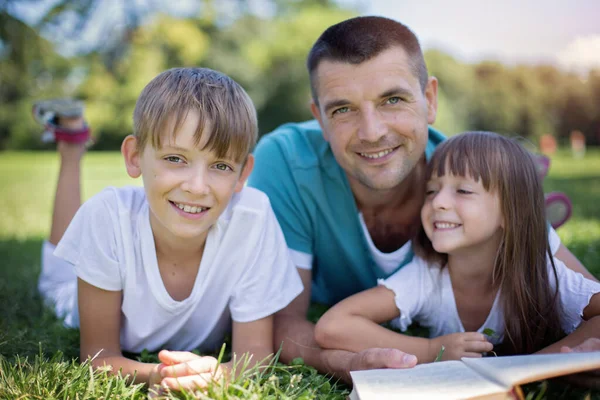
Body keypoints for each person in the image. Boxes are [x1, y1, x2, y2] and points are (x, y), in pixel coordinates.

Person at [247, 16, 598, 381]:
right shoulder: (285, 162)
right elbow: (283, 324)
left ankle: (538, 216)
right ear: (319, 118)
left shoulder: (475, 176)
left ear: (429, 100)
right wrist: (349, 364)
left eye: (393, 99)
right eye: (343, 109)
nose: (372, 132)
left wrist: (544, 366)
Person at [36, 67, 303, 393]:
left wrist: (221, 374)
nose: (196, 186)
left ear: (242, 174)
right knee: (58, 275)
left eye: (221, 166)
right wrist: (157, 376)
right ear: (135, 157)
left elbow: (254, 358)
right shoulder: (107, 217)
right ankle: (72, 144)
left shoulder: (252, 218)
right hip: (72, 293)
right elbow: (98, 358)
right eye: (175, 158)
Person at [314, 131, 600, 363]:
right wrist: (429, 351)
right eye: (431, 190)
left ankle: (538, 209)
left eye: (462, 190)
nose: (438, 202)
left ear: (510, 214)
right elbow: (333, 326)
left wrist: (537, 364)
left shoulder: (542, 274)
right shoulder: (426, 276)